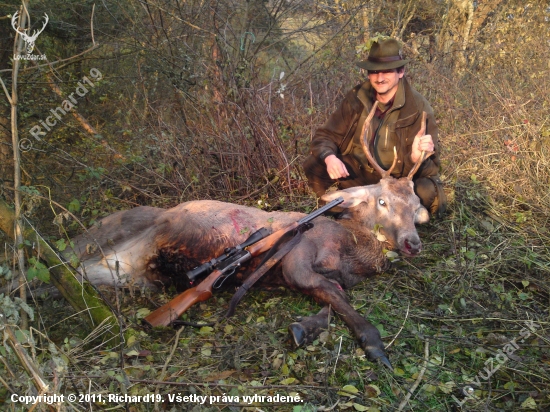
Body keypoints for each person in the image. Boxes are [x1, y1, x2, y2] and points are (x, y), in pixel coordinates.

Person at [302, 37, 446, 218]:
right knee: (315, 164)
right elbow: (325, 135)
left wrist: (416, 157)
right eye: (374, 72)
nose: (379, 78)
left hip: (397, 181)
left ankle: (383, 216)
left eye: (386, 72)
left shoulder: (418, 108)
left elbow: (432, 169)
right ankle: (347, 213)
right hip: (361, 175)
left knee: (425, 191)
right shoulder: (357, 97)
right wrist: (330, 158)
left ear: (401, 72)